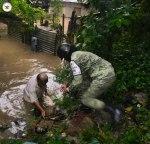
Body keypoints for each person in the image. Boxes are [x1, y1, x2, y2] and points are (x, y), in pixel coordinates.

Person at [57, 42, 121, 122]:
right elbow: (76, 74)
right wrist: (66, 83)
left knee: (85, 99)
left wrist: (68, 89)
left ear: (65, 56)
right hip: (109, 71)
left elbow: (77, 81)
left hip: (102, 77)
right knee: (84, 86)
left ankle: (113, 109)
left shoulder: (73, 61)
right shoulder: (80, 54)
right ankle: (91, 104)